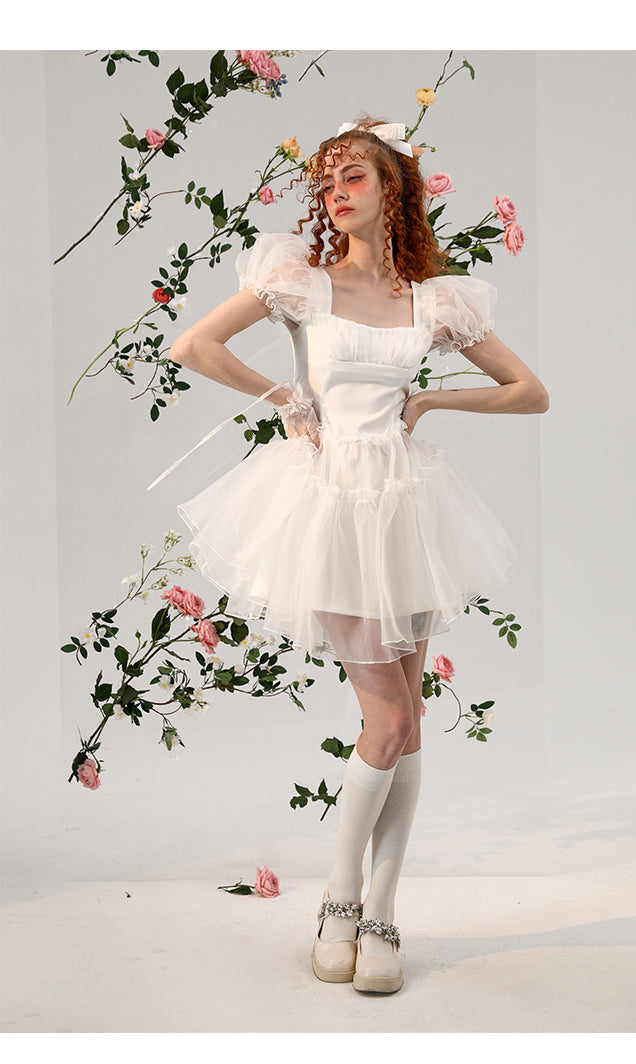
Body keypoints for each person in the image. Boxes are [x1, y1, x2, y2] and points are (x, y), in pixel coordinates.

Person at [155, 115, 549, 994]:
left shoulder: (432, 301)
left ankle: (381, 913)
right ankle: (338, 901)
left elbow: (530, 392)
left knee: (408, 720)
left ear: (391, 188)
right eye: (326, 182)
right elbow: (194, 345)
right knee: (390, 718)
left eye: (353, 178)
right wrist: (282, 396)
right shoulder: (301, 283)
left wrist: (433, 401)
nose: (334, 194)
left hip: (407, 508)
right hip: (330, 506)